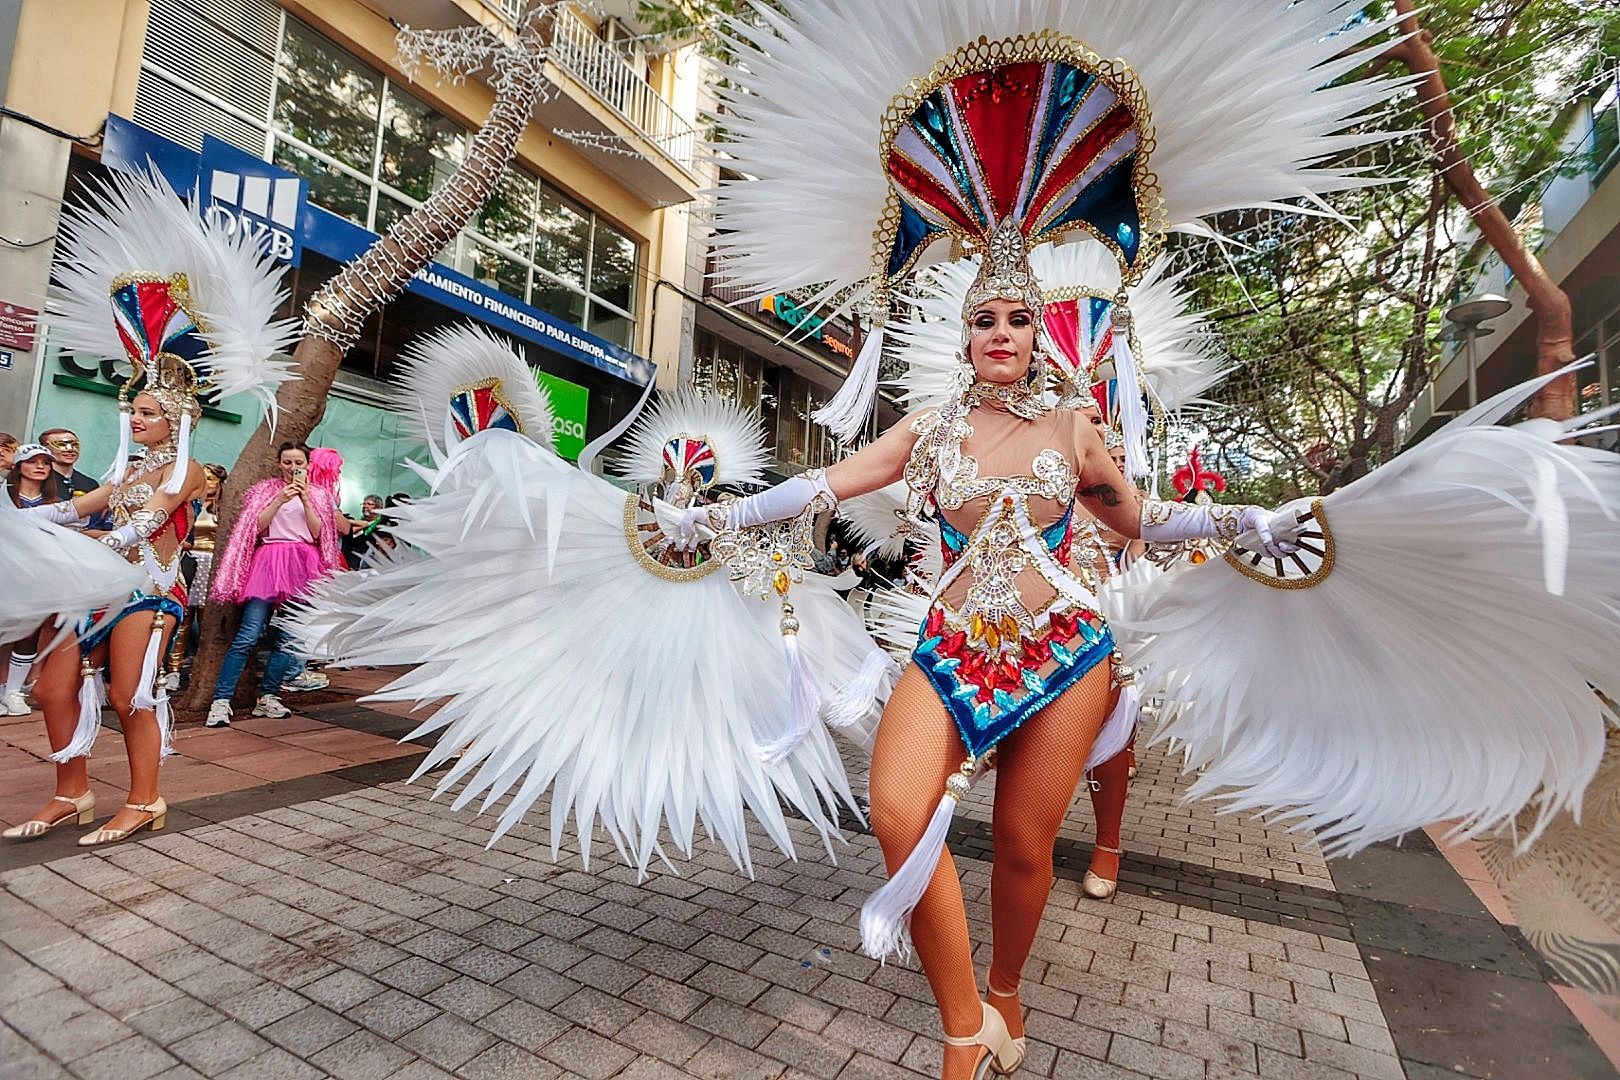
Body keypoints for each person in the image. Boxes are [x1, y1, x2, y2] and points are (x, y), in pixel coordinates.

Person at [206, 442, 342, 725]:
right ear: (279, 463)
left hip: (304, 562)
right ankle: (221, 700)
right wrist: (279, 500)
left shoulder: (319, 495)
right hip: (269, 560)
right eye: (287, 462)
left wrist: (305, 499)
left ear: (308, 465)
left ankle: (268, 696)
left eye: (298, 463)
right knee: (249, 633)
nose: (293, 468)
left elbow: (320, 534)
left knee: (290, 637)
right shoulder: (264, 491)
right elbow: (254, 528)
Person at [2, 444, 63, 714]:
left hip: (38, 574)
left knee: (29, 631)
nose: (40, 467)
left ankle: (13, 691)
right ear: (18, 466)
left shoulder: (55, 503)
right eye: (33, 461)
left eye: (46, 463)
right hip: (5, 570)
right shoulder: (3, 495)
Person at [38, 427, 113, 531]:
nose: (70, 449)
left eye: (74, 444)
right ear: (45, 449)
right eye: (61, 444)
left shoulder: (90, 483)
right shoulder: (37, 480)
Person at [340, 492, 384, 569]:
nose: (365, 506)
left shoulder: (381, 526)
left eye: (370, 504)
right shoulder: (358, 523)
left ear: (379, 508)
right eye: (364, 504)